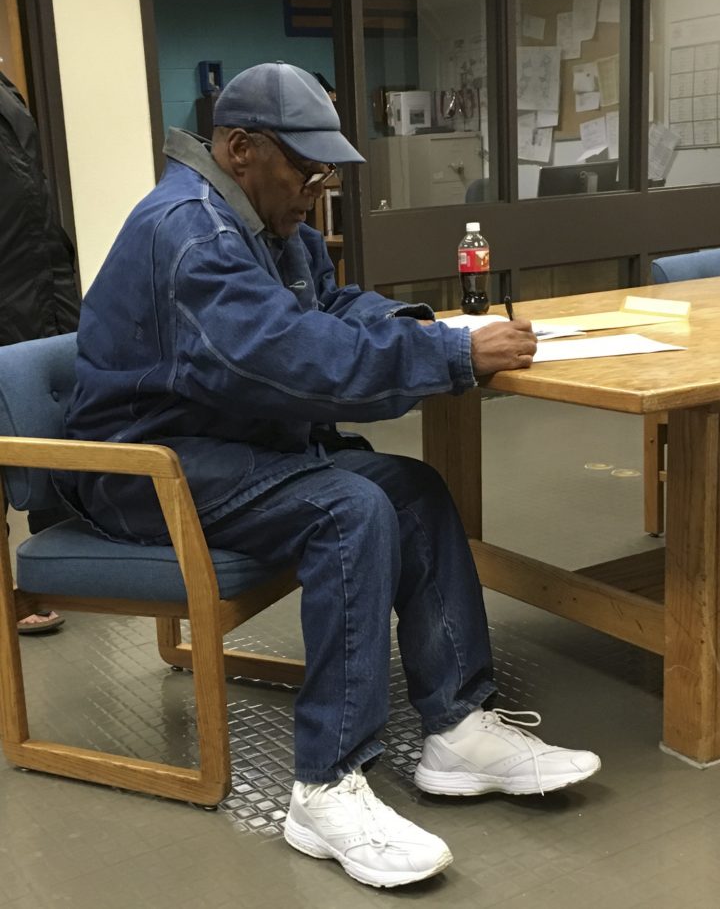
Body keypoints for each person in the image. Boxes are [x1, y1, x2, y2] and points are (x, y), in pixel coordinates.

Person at [55, 62, 601, 889]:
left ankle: (457, 730)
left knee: (413, 492)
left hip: (226, 442)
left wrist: (436, 330)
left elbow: (329, 310)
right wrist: (447, 356)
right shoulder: (190, 233)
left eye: (325, 174)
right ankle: (324, 786)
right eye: (305, 170)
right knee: (349, 509)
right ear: (242, 149)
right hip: (143, 468)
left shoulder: (269, 224)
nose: (317, 191)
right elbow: (288, 359)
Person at [0, 69, 80, 635]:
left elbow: (32, 200)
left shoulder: (6, 88)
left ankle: (57, 566)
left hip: (39, 287)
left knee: (50, 429)